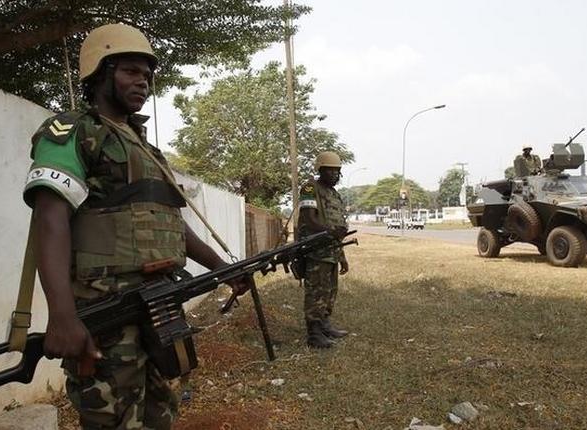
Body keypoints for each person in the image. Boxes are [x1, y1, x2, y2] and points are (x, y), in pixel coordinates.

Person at [23, 23, 243, 429]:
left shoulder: (146, 148)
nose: (142, 81)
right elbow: (50, 220)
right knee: (112, 418)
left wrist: (224, 270)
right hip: (107, 311)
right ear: (100, 74)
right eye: (129, 71)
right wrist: (62, 316)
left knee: (159, 413)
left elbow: (171, 226)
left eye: (147, 74)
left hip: (158, 306)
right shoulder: (73, 133)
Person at [297, 151, 350, 349]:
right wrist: (329, 231)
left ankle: (325, 325)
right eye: (331, 171)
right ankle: (314, 333)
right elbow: (309, 219)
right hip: (317, 250)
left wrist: (342, 256)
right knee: (316, 292)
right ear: (320, 169)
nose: (335, 175)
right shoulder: (311, 188)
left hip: (332, 252)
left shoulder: (334, 194)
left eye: (338, 172)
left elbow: (338, 227)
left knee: (329, 292)